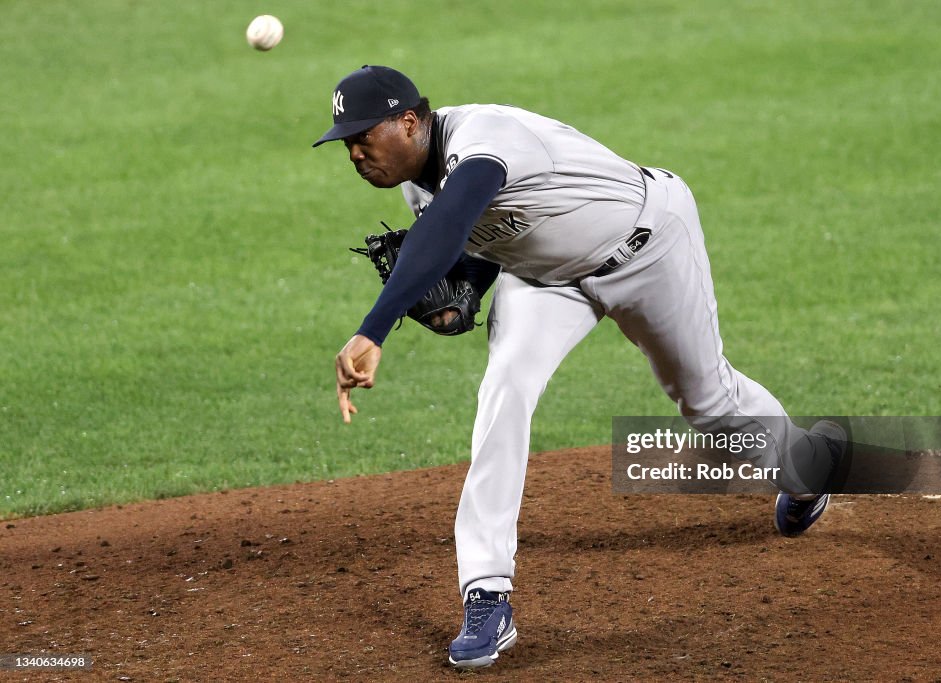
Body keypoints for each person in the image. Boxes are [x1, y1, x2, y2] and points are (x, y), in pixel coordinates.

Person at [316, 65, 847, 669]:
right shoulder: (416, 182)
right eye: (346, 143)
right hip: (547, 283)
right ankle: (486, 593)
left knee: (709, 405)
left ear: (409, 122)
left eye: (364, 136)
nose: (356, 152)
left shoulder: (486, 138)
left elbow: (446, 225)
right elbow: (481, 237)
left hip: (649, 247)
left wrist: (372, 331)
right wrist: (463, 291)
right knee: (504, 390)